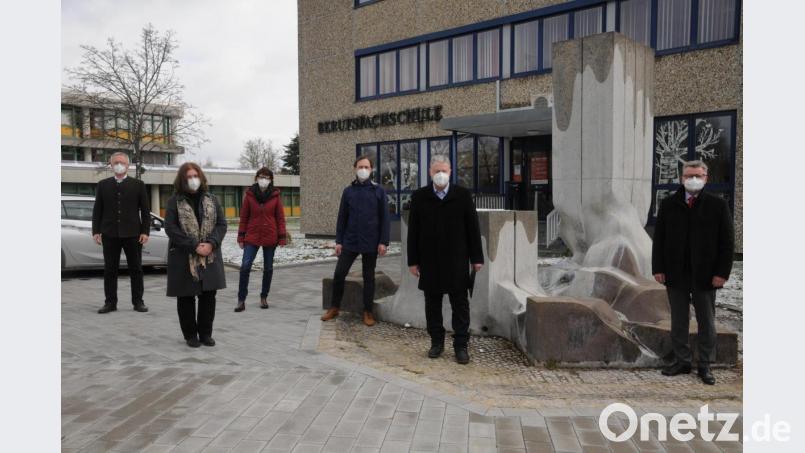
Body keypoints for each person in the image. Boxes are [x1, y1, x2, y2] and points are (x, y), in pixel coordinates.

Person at [652, 160, 734, 385]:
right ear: (681, 178)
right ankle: (682, 361)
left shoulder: (717, 206)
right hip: (675, 273)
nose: (693, 179)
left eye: (698, 175)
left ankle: (705, 364)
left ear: (706, 178)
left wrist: (722, 273)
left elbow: (727, 243)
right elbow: (659, 239)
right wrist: (658, 268)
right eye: (689, 175)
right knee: (679, 320)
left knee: (706, 321)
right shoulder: (669, 204)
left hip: (706, 275)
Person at [407, 155, 484, 365]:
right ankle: (436, 342)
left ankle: (460, 345)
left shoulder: (463, 195)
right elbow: (413, 232)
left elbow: (473, 229)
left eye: (444, 171)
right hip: (430, 261)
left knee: (460, 304)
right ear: (430, 173)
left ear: (450, 172)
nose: (440, 174)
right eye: (436, 171)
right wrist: (412, 261)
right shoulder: (420, 197)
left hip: (457, 260)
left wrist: (477, 258)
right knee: (432, 304)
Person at [320, 155, 390, 326]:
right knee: (339, 274)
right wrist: (339, 241)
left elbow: (385, 218)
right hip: (350, 240)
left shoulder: (379, 191)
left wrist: (383, 242)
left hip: (371, 242)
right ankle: (334, 307)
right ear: (355, 168)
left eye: (366, 167)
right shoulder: (348, 191)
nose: (363, 170)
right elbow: (342, 218)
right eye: (360, 167)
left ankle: (367, 312)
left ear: (371, 170)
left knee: (369, 278)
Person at [164, 162, 227, 348]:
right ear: (182, 180)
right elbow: (171, 228)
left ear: (201, 177)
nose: (193, 180)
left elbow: (221, 224)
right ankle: (190, 335)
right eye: (189, 177)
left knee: (208, 296)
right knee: (186, 297)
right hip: (184, 256)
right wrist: (194, 246)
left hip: (210, 256)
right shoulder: (174, 202)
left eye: (195, 176)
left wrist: (211, 244)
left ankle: (206, 334)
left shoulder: (212, 200)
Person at [92, 151, 151, 314]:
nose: (118, 165)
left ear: (127, 165)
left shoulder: (138, 185)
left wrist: (145, 231)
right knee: (110, 269)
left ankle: (138, 302)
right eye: (115, 162)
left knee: (136, 269)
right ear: (111, 165)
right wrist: (96, 230)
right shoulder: (103, 185)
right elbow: (98, 210)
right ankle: (110, 302)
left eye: (122, 162)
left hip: (133, 234)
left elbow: (145, 210)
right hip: (109, 234)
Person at [235, 167, 287, 312]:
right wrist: (241, 236)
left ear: (271, 180)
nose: (263, 179)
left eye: (267, 177)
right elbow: (244, 217)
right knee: (245, 266)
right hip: (252, 236)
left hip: (270, 236)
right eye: (261, 176)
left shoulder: (276, 196)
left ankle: (264, 297)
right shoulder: (249, 196)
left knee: (268, 268)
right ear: (256, 178)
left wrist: (282, 237)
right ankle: (241, 300)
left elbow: (280, 218)